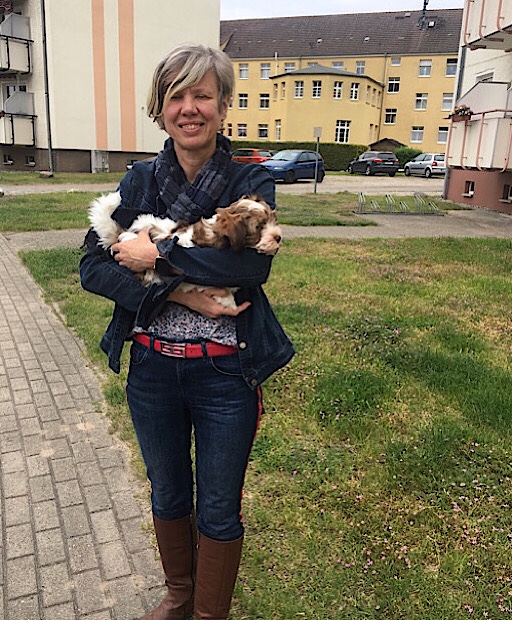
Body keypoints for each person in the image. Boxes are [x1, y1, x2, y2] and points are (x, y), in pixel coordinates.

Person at [80, 43, 294, 620]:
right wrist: (174, 290)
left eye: (203, 94)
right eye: (178, 95)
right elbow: (94, 266)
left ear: (223, 105)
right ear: (162, 107)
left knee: (219, 508)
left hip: (225, 372)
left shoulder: (249, 180)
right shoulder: (140, 181)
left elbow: (251, 266)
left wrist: (158, 252)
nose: (190, 107)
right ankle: (179, 597)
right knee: (168, 494)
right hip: (152, 370)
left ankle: (208, 613)